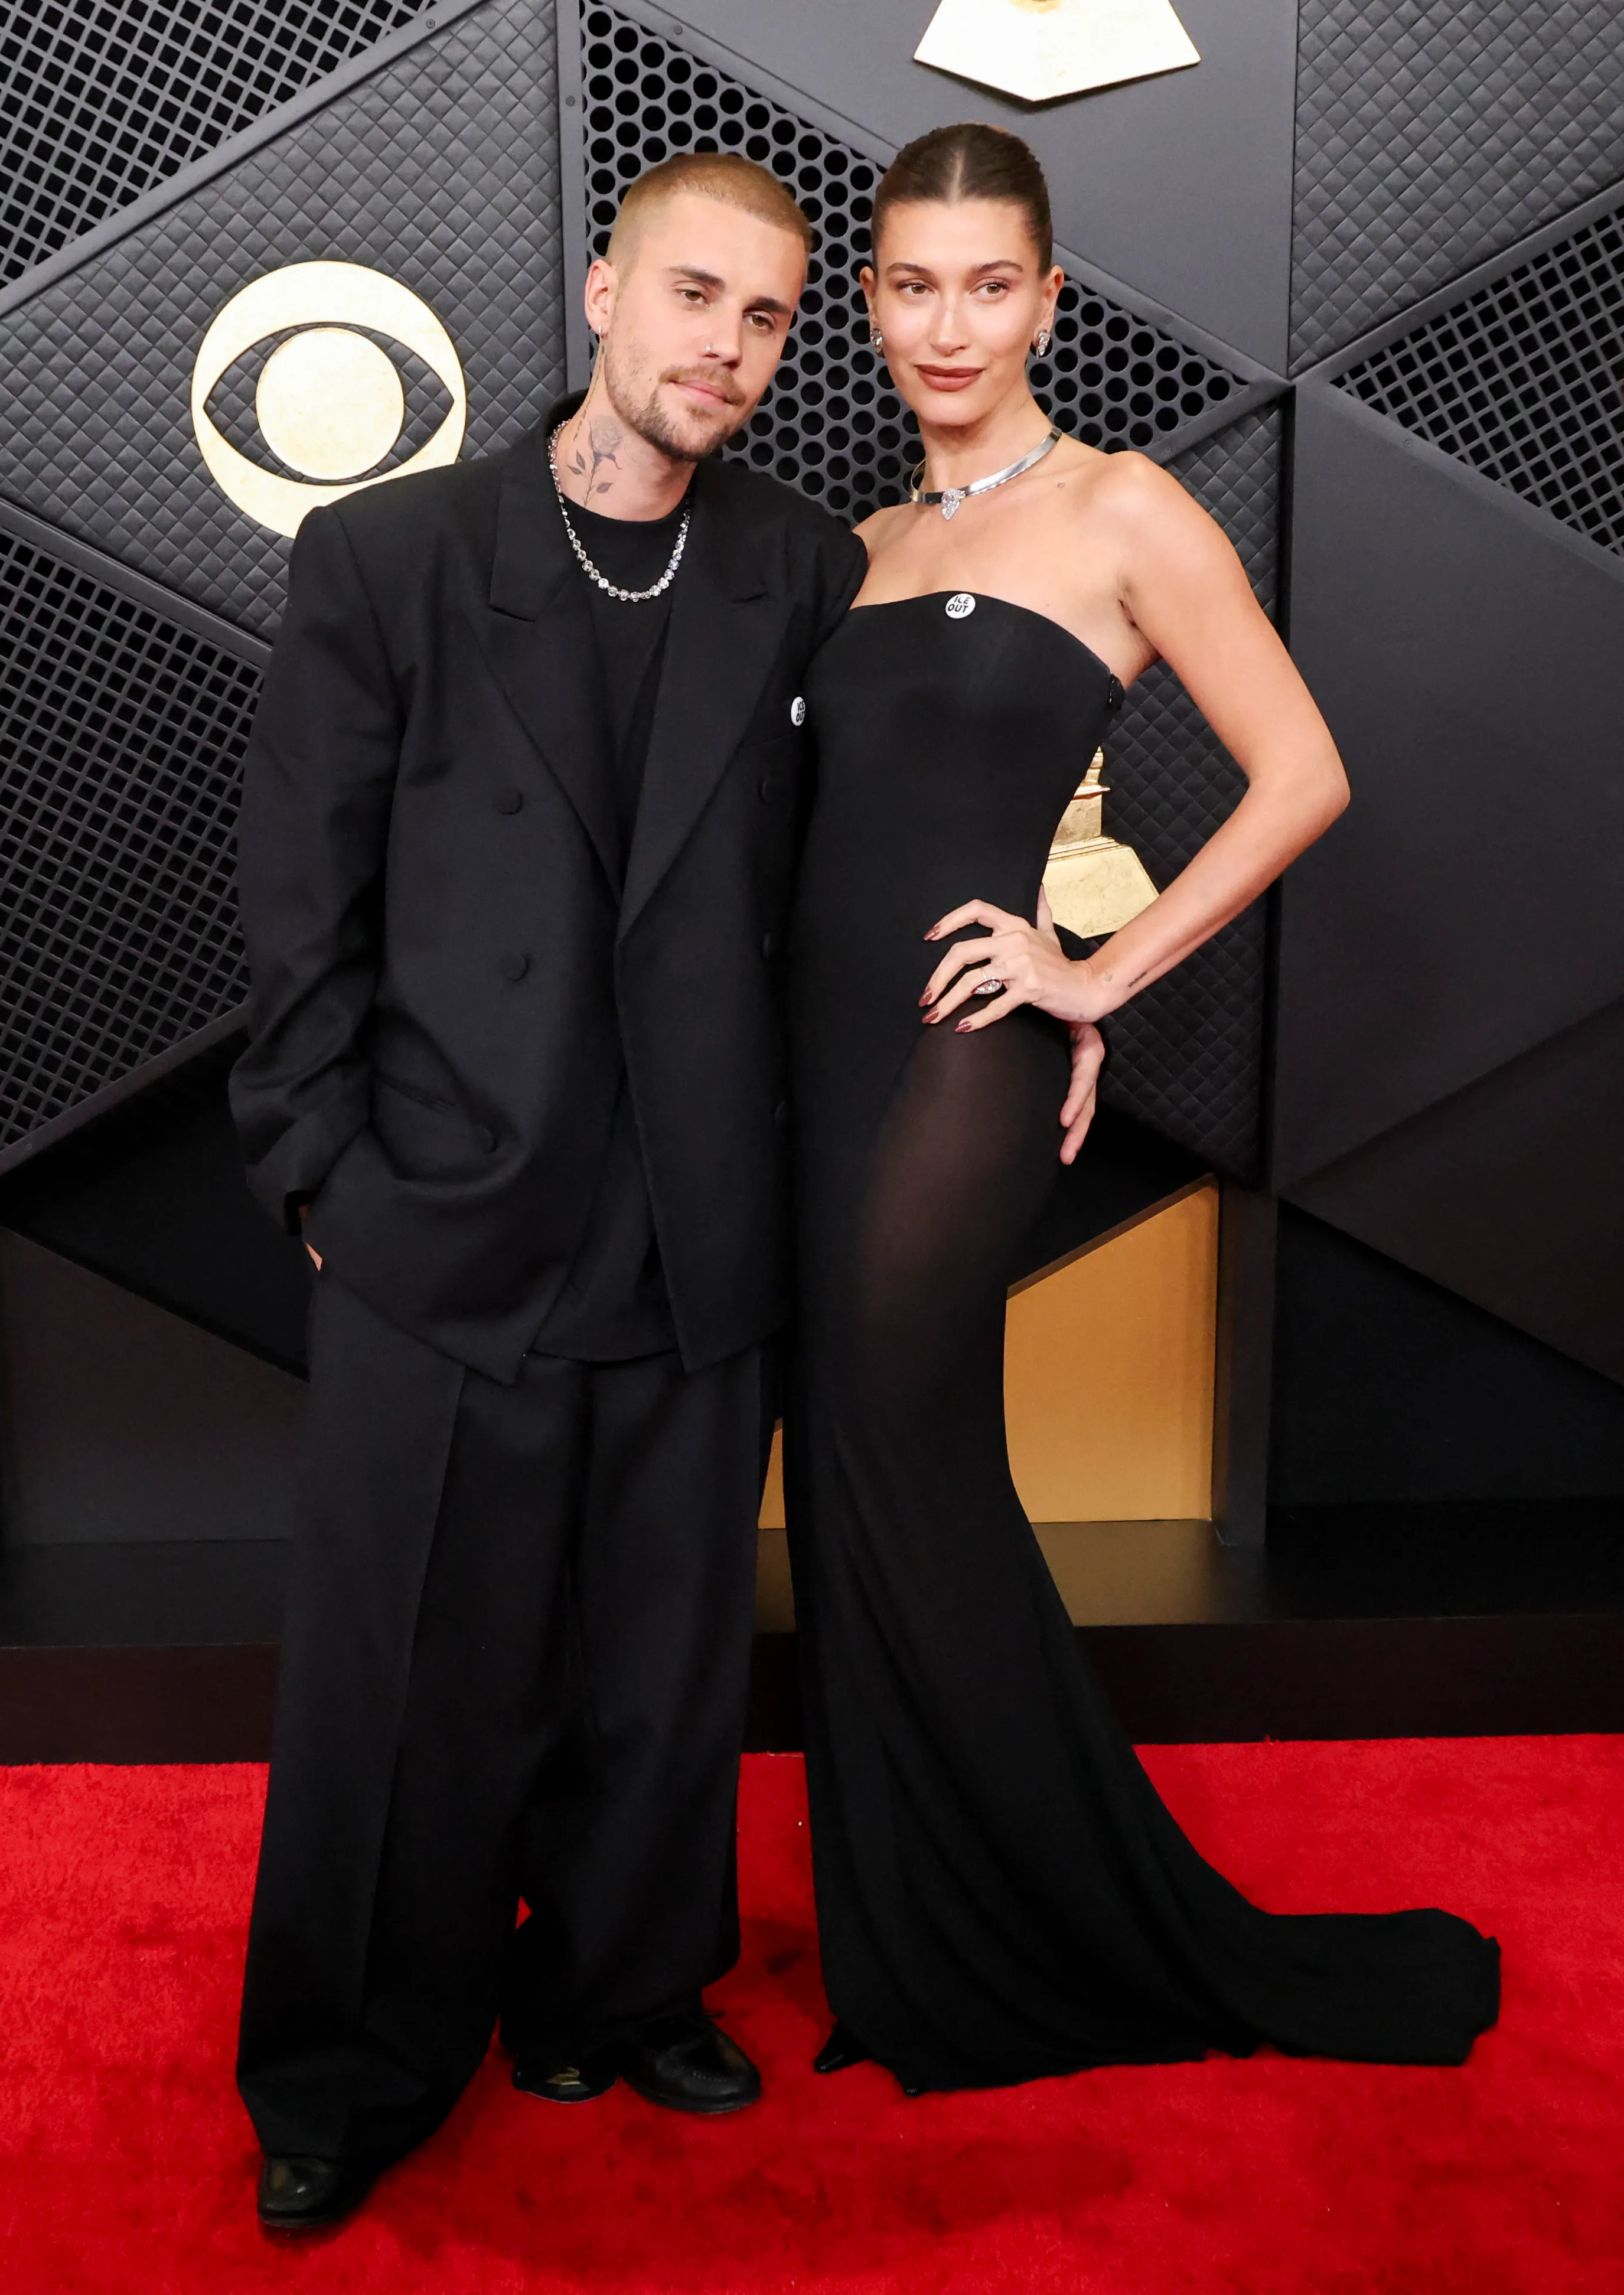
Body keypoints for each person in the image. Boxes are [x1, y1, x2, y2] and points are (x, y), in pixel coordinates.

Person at [785, 122, 1501, 2096]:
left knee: (894, 1448)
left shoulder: (1121, 511)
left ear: (1050, 297)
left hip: (963, 1051)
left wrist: (1095, 976)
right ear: (869, 302)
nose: (949, 323)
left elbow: (1303, 771)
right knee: (847, 1477)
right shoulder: (854, 547)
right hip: (814, 1060)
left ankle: (1058, 1931)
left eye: (988, 284)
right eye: (912, 285)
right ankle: (922, 1932)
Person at [229, 151, 895, 2231]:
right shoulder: (393, 556)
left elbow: (862, 879)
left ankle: (613, 1982)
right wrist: (324, 1170)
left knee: (664, 1657)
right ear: (603, 286)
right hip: (444, 1215)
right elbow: (297, 904)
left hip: (702, 1225)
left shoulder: (797, 567)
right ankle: (346, 2063)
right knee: (405, 1674)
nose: (728, 342)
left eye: (772, 316)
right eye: (694, 292)